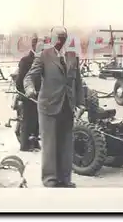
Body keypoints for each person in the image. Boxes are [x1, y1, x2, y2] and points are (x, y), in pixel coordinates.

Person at [24, 26, 85, 188]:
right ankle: (50, 179)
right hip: (48, 107)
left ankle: (65, 179)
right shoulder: (44, 56)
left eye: (62, 37)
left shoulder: (72, 56)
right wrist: (30, 88)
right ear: (51, 39)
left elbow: (78, 82)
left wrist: (81, 103)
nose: (59, 41)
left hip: (67, 106)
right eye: (57, 37)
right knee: (50, 145)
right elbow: (30, 77)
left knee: (66, 145)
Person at [15, 33, 41, 151]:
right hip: (28, 96)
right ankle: (25, 145)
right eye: (37, 44)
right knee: (27, 120)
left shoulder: (43, 59)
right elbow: (19, 81)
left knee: (37, 120)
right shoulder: (25, 61)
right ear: (33, 45)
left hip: (39, 95)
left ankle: (34, 143)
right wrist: (26, 94)